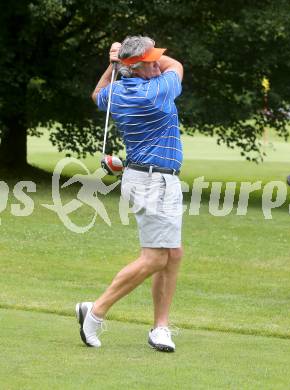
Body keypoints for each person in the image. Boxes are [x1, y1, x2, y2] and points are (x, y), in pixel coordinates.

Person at [76, 36, 184, 352]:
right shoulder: (156, 92)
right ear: (136, 68)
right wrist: (122, 59)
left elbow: (97, 94)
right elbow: (176, 65)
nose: (157, 63)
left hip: (149, 177)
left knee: (173, 253)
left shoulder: (117, 92)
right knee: (156, 258)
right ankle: (94, 312)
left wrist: (113, 65)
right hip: (155, 182)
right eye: (150, 61)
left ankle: (160, 328)